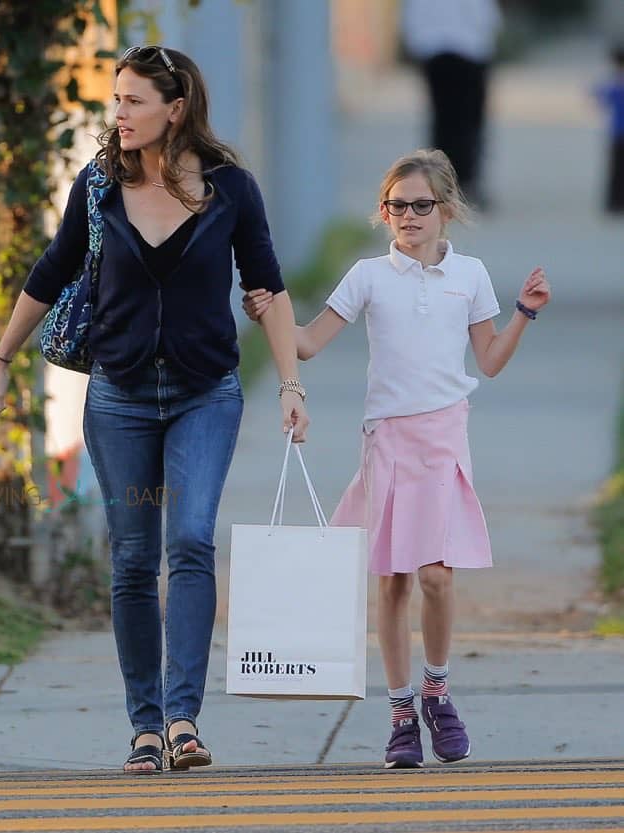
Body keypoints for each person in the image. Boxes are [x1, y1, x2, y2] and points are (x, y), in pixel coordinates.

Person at [0, 45, 309, 773]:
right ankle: (146, 725)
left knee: (189, 539)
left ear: (176, 108)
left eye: (133, 100)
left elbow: (269, 285)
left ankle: (185, 717)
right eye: (116, 100)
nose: (119, 114)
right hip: (121, 397)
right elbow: (52, 269)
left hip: (205, 394)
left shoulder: (231, 189)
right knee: (132, 557)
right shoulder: (97, 186)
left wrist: (290, 384)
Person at [242, 148, 550, 768]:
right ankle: (401, 709)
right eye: (396, 206)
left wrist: (523, 315)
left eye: (420, 205)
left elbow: (487, 362)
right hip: (388, 438)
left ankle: (437, 687)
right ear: (383, 213)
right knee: (394, 579)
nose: (408, 215)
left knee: (437, 573)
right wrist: (271, 312)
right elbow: (306, 343)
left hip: (443, 435)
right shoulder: (367, 277)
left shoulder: (471, 276)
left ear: (446, 211)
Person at [401, 0, 502, 207]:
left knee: (445, 120)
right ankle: (462, 183)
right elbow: (484, 14)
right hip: (467, 49)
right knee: (467, 121)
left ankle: (442, 183)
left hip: (438, 49)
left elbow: (413, 14)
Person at [594, 44, 624, 213]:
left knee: (615, 170)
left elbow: (600, 97)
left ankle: (614, 203)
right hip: (618, 132)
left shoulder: (615, 83)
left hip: (617, 132)